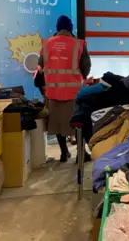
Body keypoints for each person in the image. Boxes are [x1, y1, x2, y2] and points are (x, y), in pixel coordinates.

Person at [38, 15, 92, 162]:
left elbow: (41, 65)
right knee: (77, 123)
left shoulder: (46, 43)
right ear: (70, 27)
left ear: (57, 28)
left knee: (58, 122)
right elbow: (86, 67)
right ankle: (81, 154)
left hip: (53, 91)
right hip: (73, 92)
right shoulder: (78, 44)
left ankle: (64, 152)